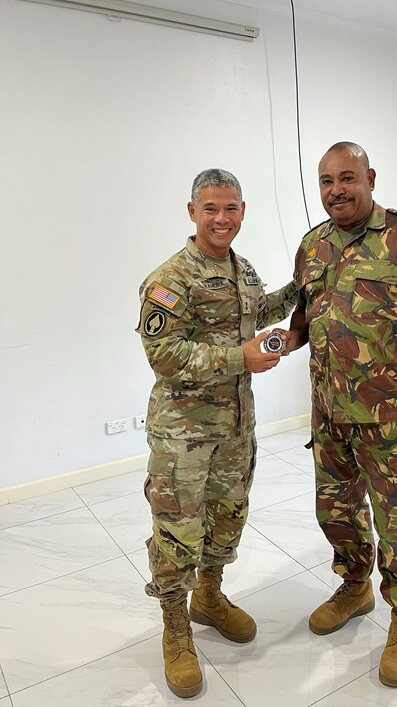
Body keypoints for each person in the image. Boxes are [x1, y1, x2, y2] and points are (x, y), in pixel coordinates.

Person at [287, 142, 397, 688]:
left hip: (389, 418)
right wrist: (276, 342)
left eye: (347, 178)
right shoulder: (312, 245)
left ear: (370, 178)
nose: (337, 190)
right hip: (328, 415)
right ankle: (355, 585)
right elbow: (304, 320)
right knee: (335, 512)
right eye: (327, 181)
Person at [137, 168, 297, 698]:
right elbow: (163, 355)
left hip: (234, 430)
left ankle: (209, 597)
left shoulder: (242, 269)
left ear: (243, 211)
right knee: (178, 532)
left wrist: (301, 288)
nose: (221, 218)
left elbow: (259, 309)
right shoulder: (171, 278)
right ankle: (176, 626)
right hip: (183, 436)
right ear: (192, 212)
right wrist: (240, 356)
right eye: (211, 209)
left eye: (230, 209)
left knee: (227, 521)